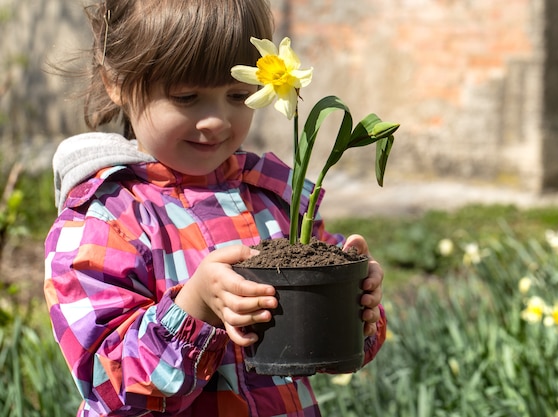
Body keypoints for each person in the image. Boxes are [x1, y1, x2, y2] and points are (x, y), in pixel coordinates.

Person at [44, 0, 387, 416]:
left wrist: (357, 303)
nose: (217, 121)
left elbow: (327, 349)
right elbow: (108, 383)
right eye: (187, 97)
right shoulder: (105, 220)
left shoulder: (273, 198)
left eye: (239, 95)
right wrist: (196, 308)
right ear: (116, 81)